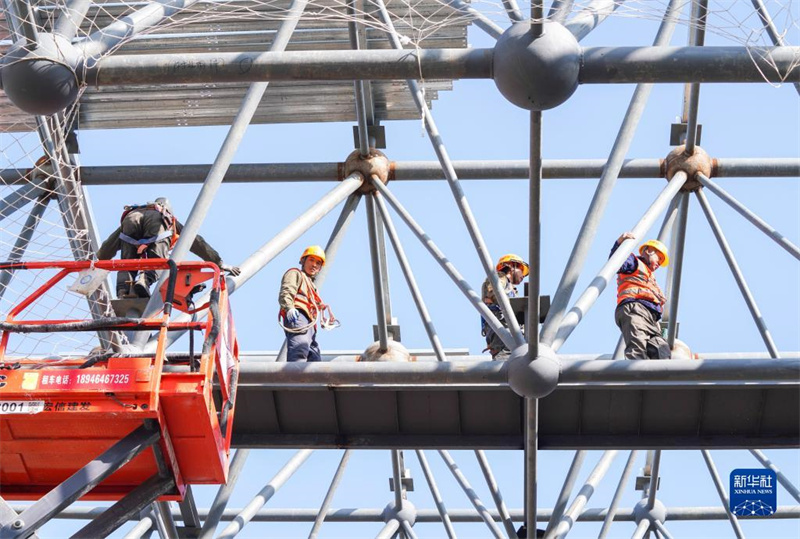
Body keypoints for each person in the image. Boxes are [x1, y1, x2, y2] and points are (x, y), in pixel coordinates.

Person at [97, 197, 240, 298]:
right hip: (157, 223)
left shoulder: (137, 211)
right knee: (158, 262)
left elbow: (110, 245)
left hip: (130, 219)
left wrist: (99, 258)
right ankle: (144, 280)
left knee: (127, 262)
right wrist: (218, 262)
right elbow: (196, 241)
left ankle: (123, 289)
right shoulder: (167, 218)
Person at [611, 232, 670, 360]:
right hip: (634, 309)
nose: (659, 263)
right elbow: (616, 262)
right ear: (649, 251)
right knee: (638, 350)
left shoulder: (650, 278)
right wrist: (620, 242)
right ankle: (637, 378)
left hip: (650, 319)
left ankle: (660, 378)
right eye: (659, 258)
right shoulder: (634, 262)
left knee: (661, 350)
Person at [278, 245, 329, 362]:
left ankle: (312, 380)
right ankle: (295, 377)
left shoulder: (312, 285)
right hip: (298, 316)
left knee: (314, 358)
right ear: (303, 260)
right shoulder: (295, 273)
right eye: (311, 260)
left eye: (318, 263)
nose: (314, 265)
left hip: (310, 324)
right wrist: (289, 308)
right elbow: (287, 291)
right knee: (299, 349)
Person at [481, 253, 529, 360]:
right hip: (502, 330)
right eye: (521, 270)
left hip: (511, 333)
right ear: (512, 266)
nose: (523, 276)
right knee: (505, 363)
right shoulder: (499, 278)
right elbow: (493, 292)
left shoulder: (512, 290)